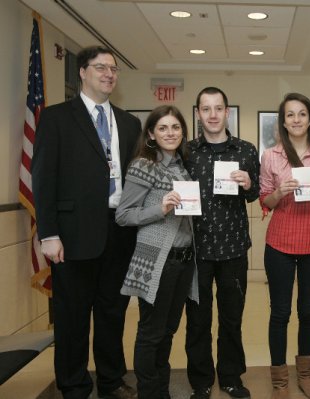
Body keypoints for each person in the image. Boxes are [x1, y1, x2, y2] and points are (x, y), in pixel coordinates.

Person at [31, 46, 140, 399]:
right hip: (73, 235)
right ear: (82, 72)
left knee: (112, 313)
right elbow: (43, 178)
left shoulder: (128, 122)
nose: (108, 74)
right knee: (73, 317)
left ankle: (111, 381)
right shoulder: (57, 118)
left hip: (119, 231)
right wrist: (48, 233)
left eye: (114, 68)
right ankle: (74, 385)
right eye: (100, 67)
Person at [260, 93, 310, 399]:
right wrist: (279, 191)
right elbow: (264, 201)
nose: (296, 119)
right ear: (283, 121)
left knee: (308, 311)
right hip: (280, 244)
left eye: (302, 114)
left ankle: (305, 375)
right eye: (290, 115)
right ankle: (280, 379)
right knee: (279, 313)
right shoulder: (271, 156)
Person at [115, 105, 197, 399]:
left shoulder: (182, 165)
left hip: (183, 262)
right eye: (162, 128)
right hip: (157, 261)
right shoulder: (143, 165)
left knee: (167, 331)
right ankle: (149, 392)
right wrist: (160, 208)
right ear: (150, 133)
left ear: (183, 132)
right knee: (151, 334)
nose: (170, 133)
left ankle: (161, 389)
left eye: (175, 127)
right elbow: (123, 215)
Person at [184, 87, 259, 399]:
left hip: (233, 249)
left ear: (227, 112)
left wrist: (248, 183)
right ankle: (201, 382)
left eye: (218, 108)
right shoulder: (186, 151)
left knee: (231, 319)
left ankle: (230, 377)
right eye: (206, 109)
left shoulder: (246, 150)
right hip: (196, 249)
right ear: (199, 113)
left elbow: (255, 194)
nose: (212, 115)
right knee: (198, 321)